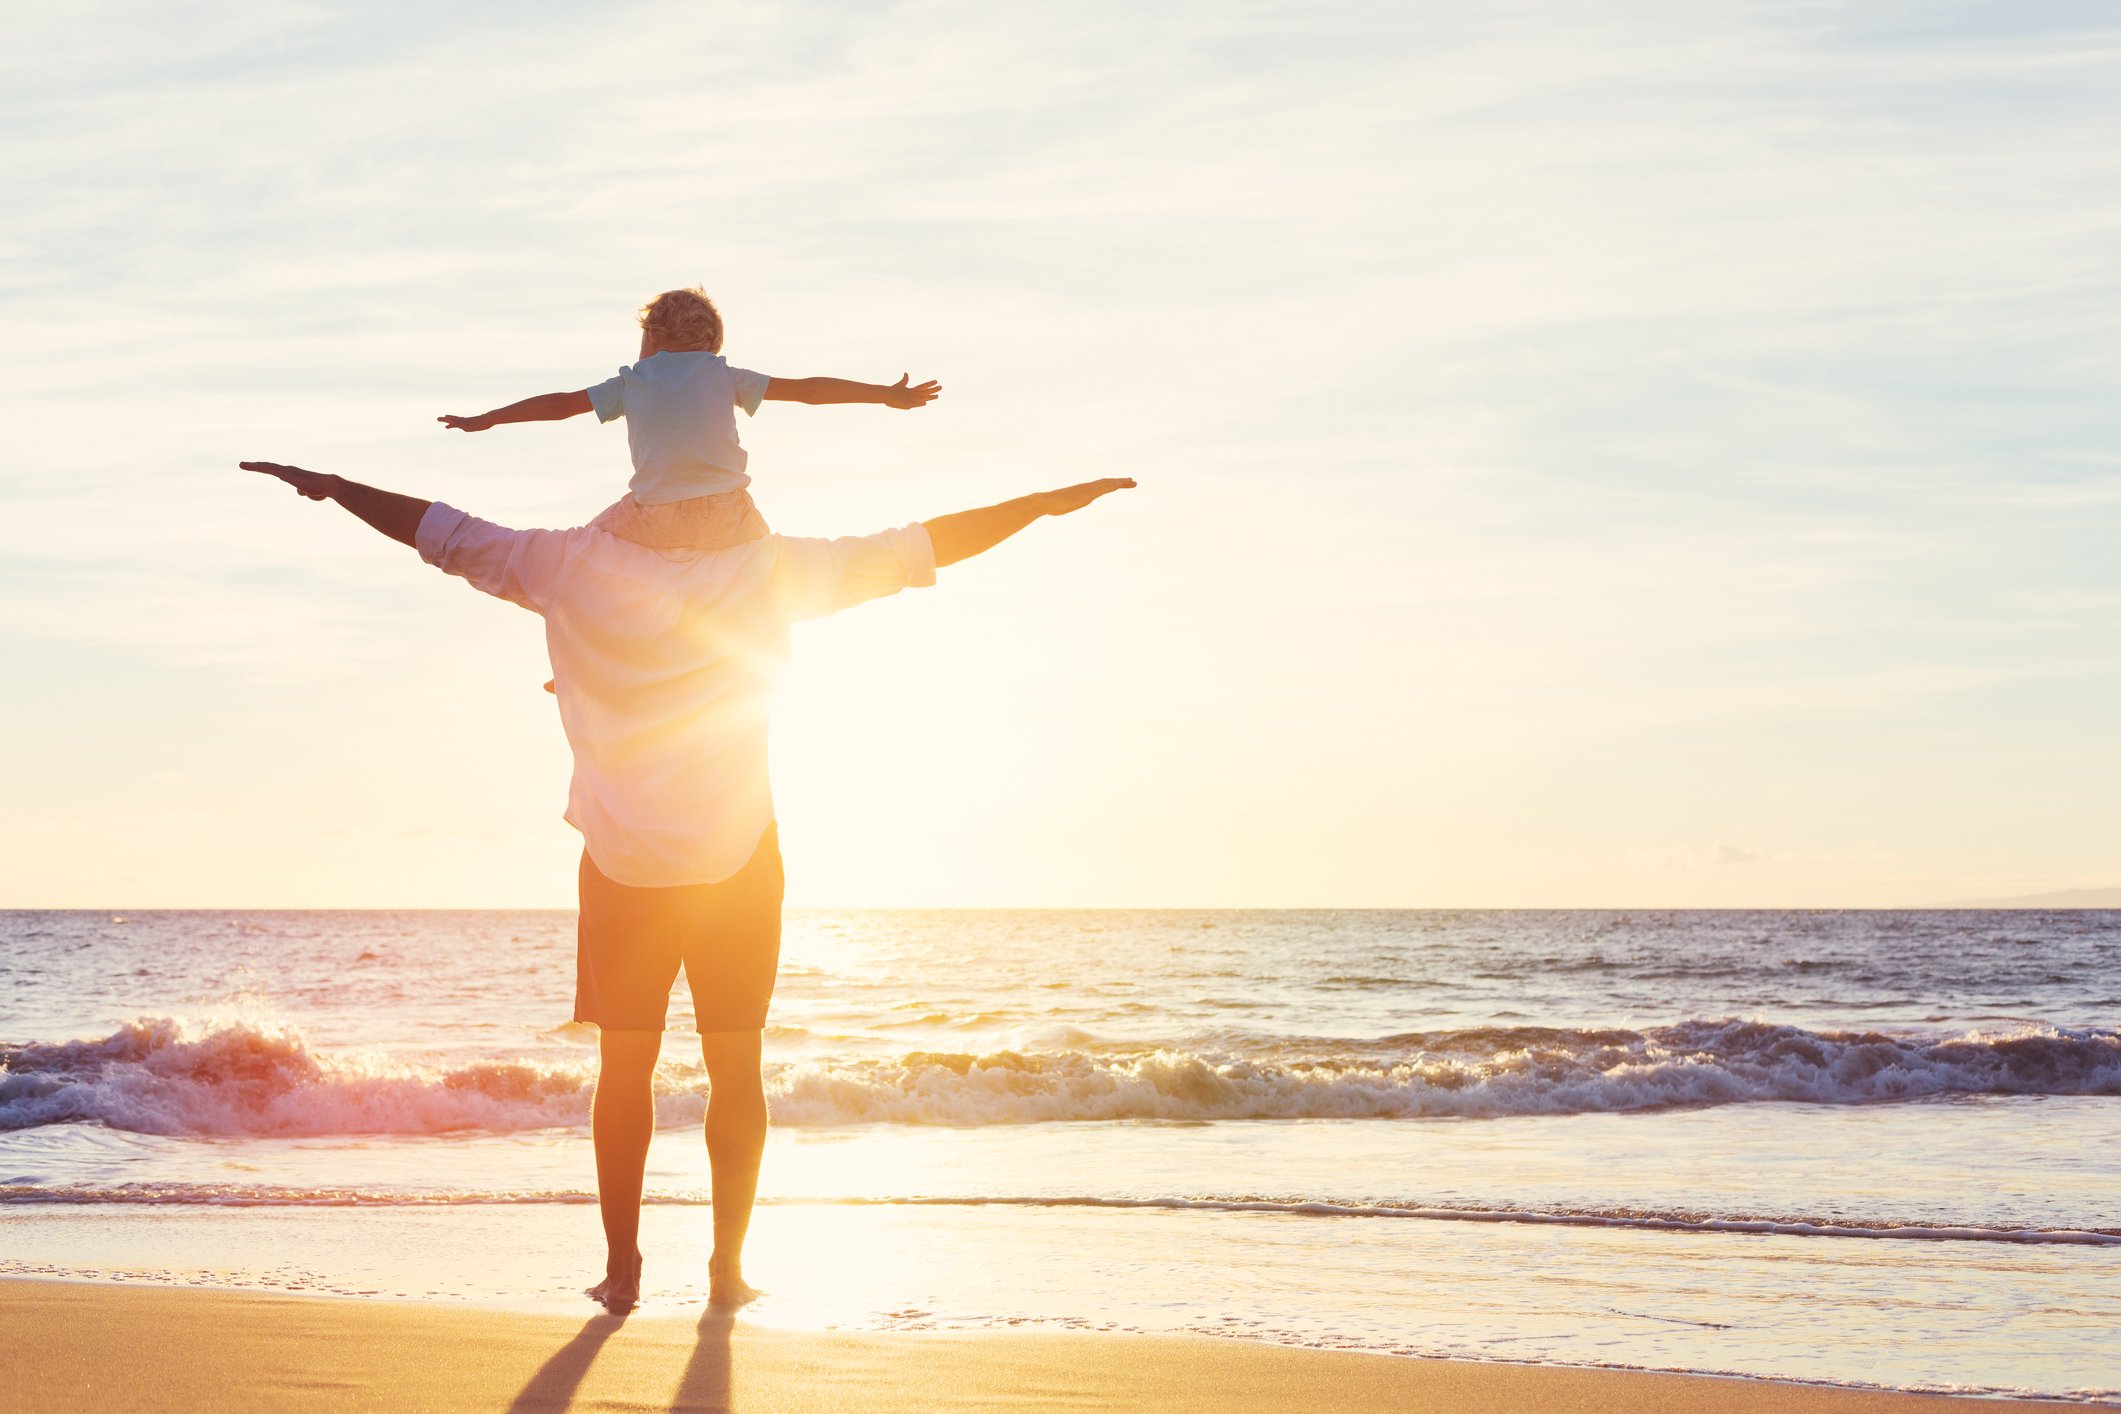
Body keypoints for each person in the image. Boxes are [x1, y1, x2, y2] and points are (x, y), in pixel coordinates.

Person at [238, 457, 1133, 1312]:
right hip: (737, 859)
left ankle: (626, 1267)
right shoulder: (769, 566)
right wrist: (1040, 504)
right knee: (730, 1067)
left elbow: (437, 531)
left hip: (626, 861)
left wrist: (336, 488)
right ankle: (723, 1270)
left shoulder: (565, 559)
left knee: (628, 1068)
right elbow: (920, 546)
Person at [436, 285, 940, 553]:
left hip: (652, 516)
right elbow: (809, 391)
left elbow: (556, 405)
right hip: (728, 512)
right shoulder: (724, 375)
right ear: (712, 344)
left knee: (583, 556)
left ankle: (580, 647)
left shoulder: (633, 382)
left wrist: (486, 420)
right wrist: (883, 395)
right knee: (766, 574)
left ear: (650, 339)